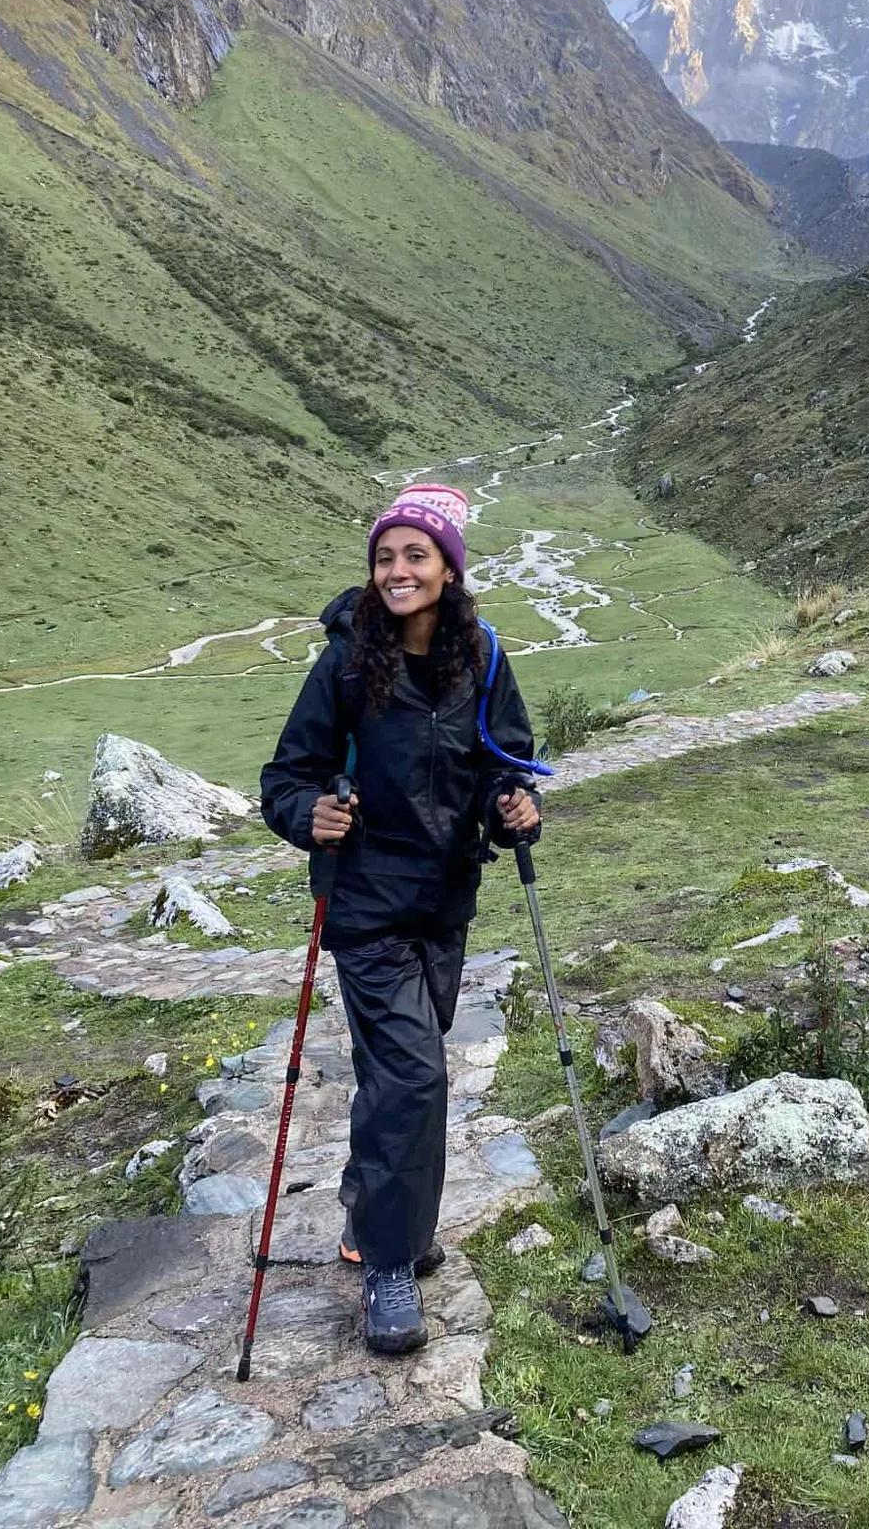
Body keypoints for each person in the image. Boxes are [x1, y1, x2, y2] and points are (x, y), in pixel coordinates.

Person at [260, 483, 542, 1355]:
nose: (396, 570)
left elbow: (508, 766)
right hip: (368, 902)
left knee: (399, 1079)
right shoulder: (346, 663)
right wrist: (311, 815)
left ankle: (367, 1211)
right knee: (416, 1078)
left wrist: (515, 808)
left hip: (445, 899)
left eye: (415, 555)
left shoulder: (483, 659)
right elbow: (285, 778)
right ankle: (390, 1261)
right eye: (385, 556)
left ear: (448, 568)